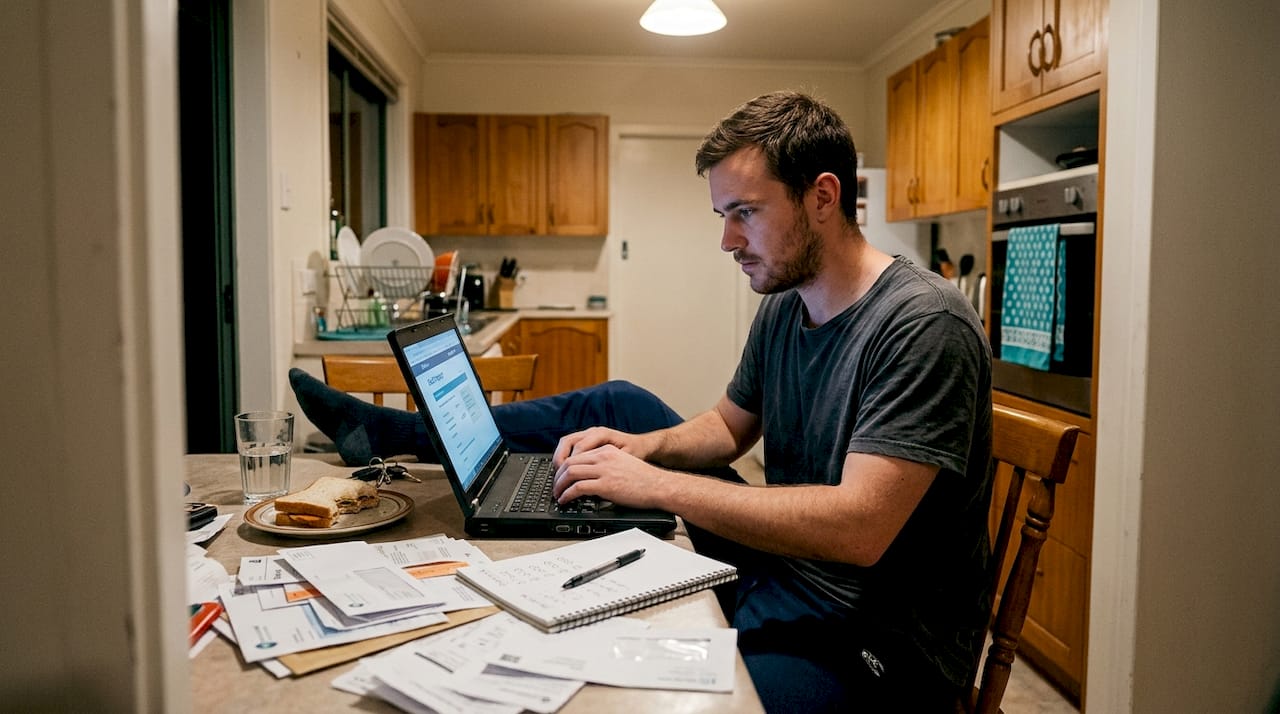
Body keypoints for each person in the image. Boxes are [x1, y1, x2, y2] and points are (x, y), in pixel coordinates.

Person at [291, 90, 992, 712]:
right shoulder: (786, 305)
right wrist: (641, 449)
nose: (727, 241)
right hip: (783, 572)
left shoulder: (922, 324)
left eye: (744, 213)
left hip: (874, 636)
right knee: (623, 406)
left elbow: (858, 530)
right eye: (723, 215)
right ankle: (402, 433)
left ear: (822, 196)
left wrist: (656, 485)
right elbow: (726, 426)